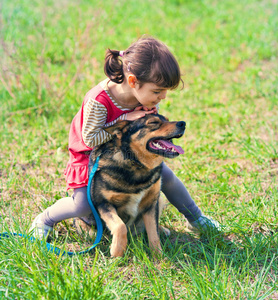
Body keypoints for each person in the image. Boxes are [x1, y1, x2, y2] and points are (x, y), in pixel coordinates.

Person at [30, 36, 221, 239]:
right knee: (82, 204)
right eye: (157, 91)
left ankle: (197, 219)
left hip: (126, 152)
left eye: (165, 91)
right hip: (90, 155)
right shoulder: (99, 100)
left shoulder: (145, 98)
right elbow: (90, 139)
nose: (162, 97)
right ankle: (46, 219)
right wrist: (123, 118)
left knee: (167, 177)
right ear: (133, 81)